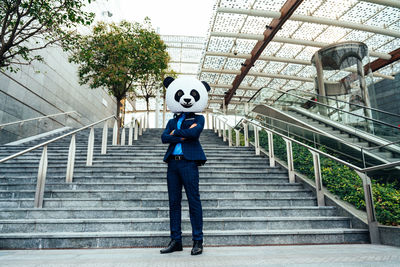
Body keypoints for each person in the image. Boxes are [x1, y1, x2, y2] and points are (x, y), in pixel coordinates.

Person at [160, 76, 210, 255]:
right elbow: (164, 137)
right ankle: (176, 240)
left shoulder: (199, 118)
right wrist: (183, 134)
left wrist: (177, 134)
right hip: (172, 164)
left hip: (189, 163)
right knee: (173, 203)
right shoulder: (172, 121)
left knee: (193, 201)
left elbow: (195, 134)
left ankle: (198, 241)